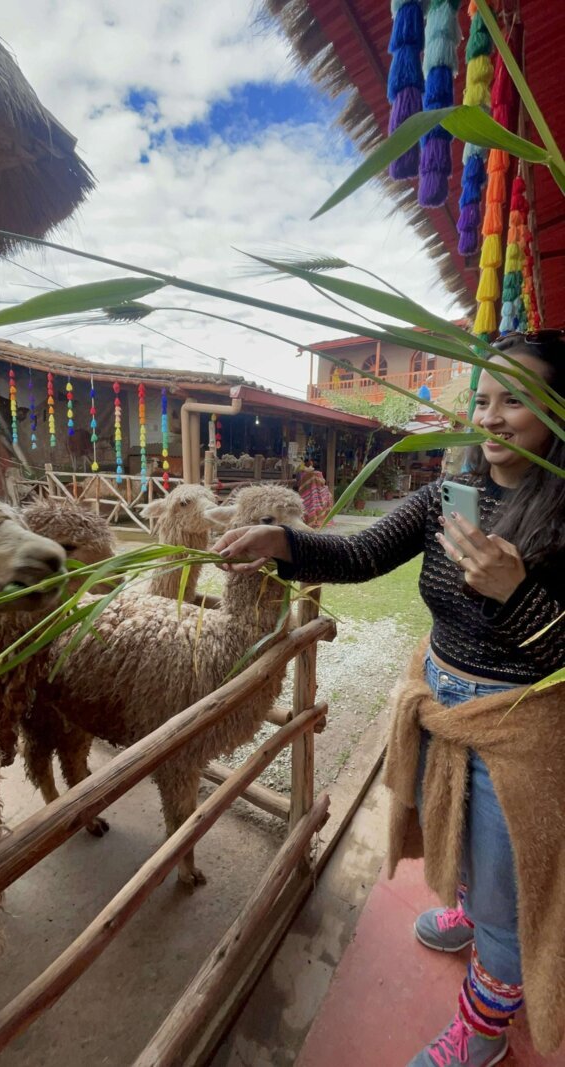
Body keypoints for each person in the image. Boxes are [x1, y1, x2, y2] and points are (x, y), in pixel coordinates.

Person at [212, 331, 565, 1067]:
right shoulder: (446, 499)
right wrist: (282, 541)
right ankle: (473, 911)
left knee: (507, 901)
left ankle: (483, 1029)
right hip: (438, 703)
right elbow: (362, 552)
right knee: (456, 834)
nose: (491, 417)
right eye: (482, 400)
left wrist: (517, 594)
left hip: (518, 730)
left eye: (515, 401)